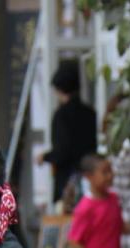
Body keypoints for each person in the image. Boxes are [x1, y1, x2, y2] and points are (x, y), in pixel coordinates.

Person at [39, 61, 97, 204]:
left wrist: (45, 157)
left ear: (59, 90)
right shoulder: (90, 113)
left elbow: (63, 151)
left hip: (67, 178)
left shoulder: (61, 115)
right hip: (89, 173)